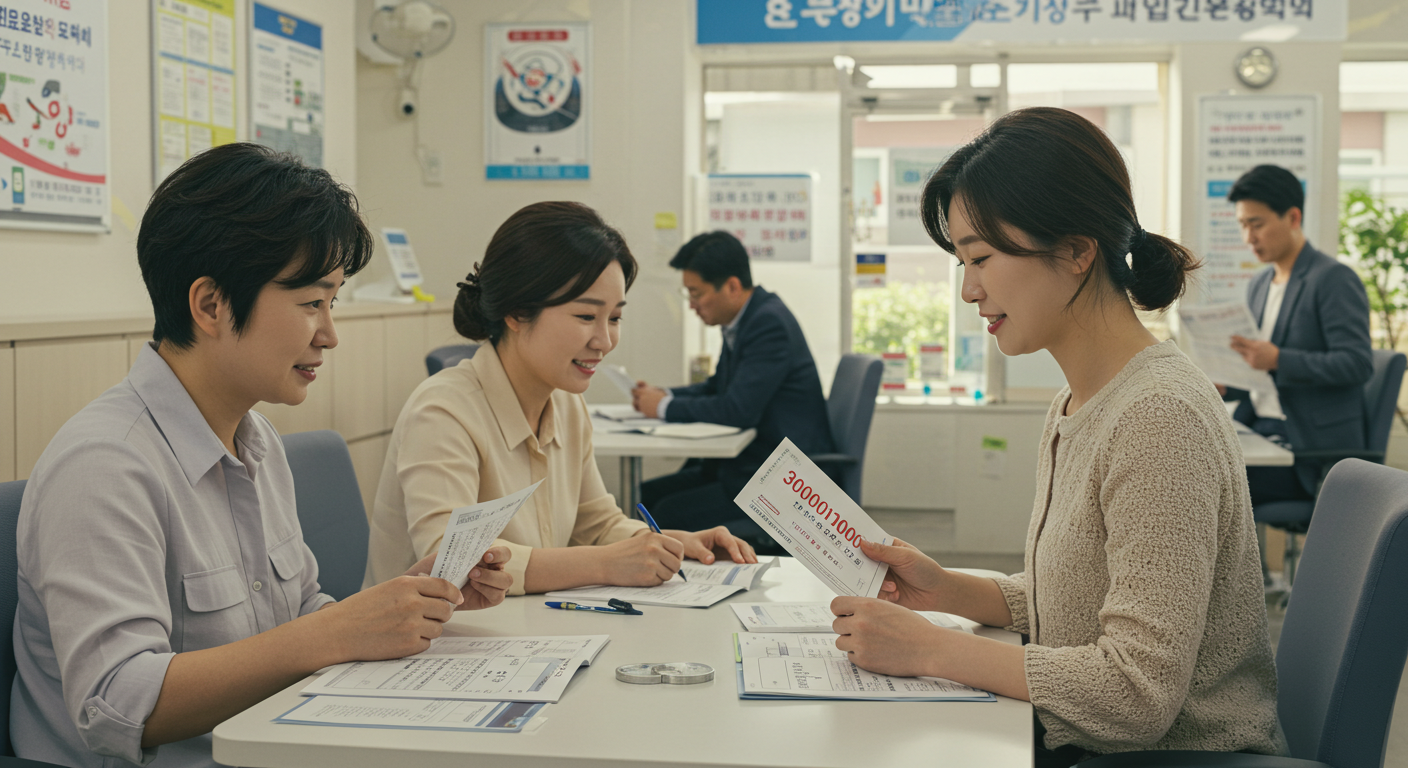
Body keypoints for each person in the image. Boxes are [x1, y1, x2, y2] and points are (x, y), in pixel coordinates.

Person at [12, 144, 513, 768]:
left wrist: (407, 600)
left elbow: (300, 618)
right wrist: (332, 633)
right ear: (211, 304)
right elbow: (118, 702)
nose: (329, 334)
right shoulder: (105, 466)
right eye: (311, 303)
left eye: (332, 304)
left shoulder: (256, 440)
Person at [828, 108, 1287, 766]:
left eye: (980, 258)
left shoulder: (1158, 416)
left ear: (1076, 250)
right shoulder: (1083, 398)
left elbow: (1135, 694)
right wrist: (947, 591)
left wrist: (930, 647)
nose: (968, 290)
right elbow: (1079, 599)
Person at [364, 202, 756, 595]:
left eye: (615, 318)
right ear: (517, 312)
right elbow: (451, 560)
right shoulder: (443, 410)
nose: (604, 341)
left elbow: (598, 523)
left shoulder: (566, 403)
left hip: (523, 637)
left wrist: (669, 544)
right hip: (427, 648)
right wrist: (606, 563)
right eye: (586, 317)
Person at [631, 231, 833, 535]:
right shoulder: (747, 319)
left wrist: (663, 407)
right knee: (643, 498)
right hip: (752, 467)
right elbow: (717, 388)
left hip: (782, 482)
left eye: (696, 294)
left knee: (665, 513)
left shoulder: (768, 324)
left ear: (732, 287)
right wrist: (665, 395)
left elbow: (738, 410)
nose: (691, 306)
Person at [1221, 164, 1373, 507]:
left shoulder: (1332, 279)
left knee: (1209, 485)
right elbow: (1264, 374)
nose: (1249, 238)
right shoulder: (1260, 285)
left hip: (1307, 449)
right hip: (1259, 432)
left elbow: (1357, 363)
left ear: (1292, 217)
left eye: (1256, 224)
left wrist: (1278, 359)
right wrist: (1228, 383)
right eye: (1243, 226)